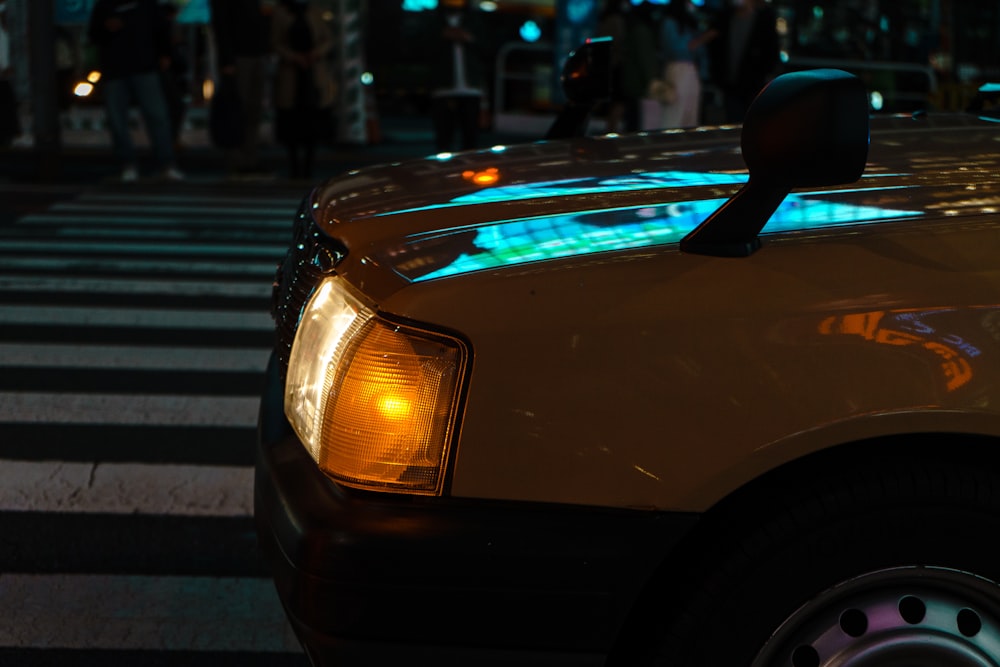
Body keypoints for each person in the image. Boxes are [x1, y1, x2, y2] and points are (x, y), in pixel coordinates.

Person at [87, 0, 184, 182]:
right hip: (116, 69)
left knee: (156, 116)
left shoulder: (147, 6)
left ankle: (165, 163)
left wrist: (164, 55)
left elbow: (161, 29)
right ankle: (130, 163)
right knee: (120, 120)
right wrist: (106, 29)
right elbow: (94, 34)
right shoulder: (105, 6)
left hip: (142, 66)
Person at [271, 0, 335, 180]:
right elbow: (275, 42)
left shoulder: (314, 12)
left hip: (313, 73)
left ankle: (308, 166)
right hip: (291, 73)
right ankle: (294, 166)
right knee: (292, 121)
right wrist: (293, 57)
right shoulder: (281, 14)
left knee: (312, 121)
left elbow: (327, 38)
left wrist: (316, 53)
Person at [209, 0, 271, 177]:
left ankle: (250, 157)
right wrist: (226, 60)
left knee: (253, 109)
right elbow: (221, 24)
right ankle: (238, 158)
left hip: (254, 52)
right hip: (239, 54)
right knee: (238, 108)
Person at [701, 0, 780, 123]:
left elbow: (772, 51)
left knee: (751, 121)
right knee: (733, 120)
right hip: (730, 83)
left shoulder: (764, 21)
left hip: (754, 84)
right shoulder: (725, 18)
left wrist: (764, 74)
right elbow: (715, 49)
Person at [428, 0, 489, 153]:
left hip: (470, 89)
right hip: (443, 88)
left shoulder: (474, 21)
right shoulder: (434, 21)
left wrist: (468, 38)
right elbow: (419, 46)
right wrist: (442, 36)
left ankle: (469, 170)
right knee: (444, 139)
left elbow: (489, 46)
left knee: (470, 139)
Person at [659, 0, 702, 128]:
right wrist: (694, 44)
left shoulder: (689, 24)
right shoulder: (669, 23)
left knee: (690, 112)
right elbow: (672, 49)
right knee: (674, 113)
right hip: (677, 69)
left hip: (690, 70)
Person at [619, 1, 659, 131]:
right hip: (638, 82)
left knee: (633, 117)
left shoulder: (634, 28)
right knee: (636, 119)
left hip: (632, 80)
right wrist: (651, 79)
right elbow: (645, 58)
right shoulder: (642, 31)